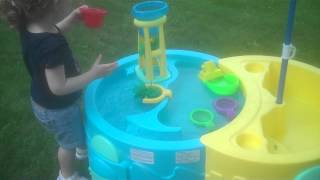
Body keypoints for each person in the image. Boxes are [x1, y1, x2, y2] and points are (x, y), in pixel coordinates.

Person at [0, 0, 117, 179]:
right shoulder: (51, 46)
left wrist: (73, 17)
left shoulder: (31, 27)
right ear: (53, 6)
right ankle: (67, 174)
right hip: (58, 109)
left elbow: (55, 30)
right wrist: (93, 74)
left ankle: (81, 147)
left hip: (42, 100)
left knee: (74, 129)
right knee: (67, 145)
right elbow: (59, 87)